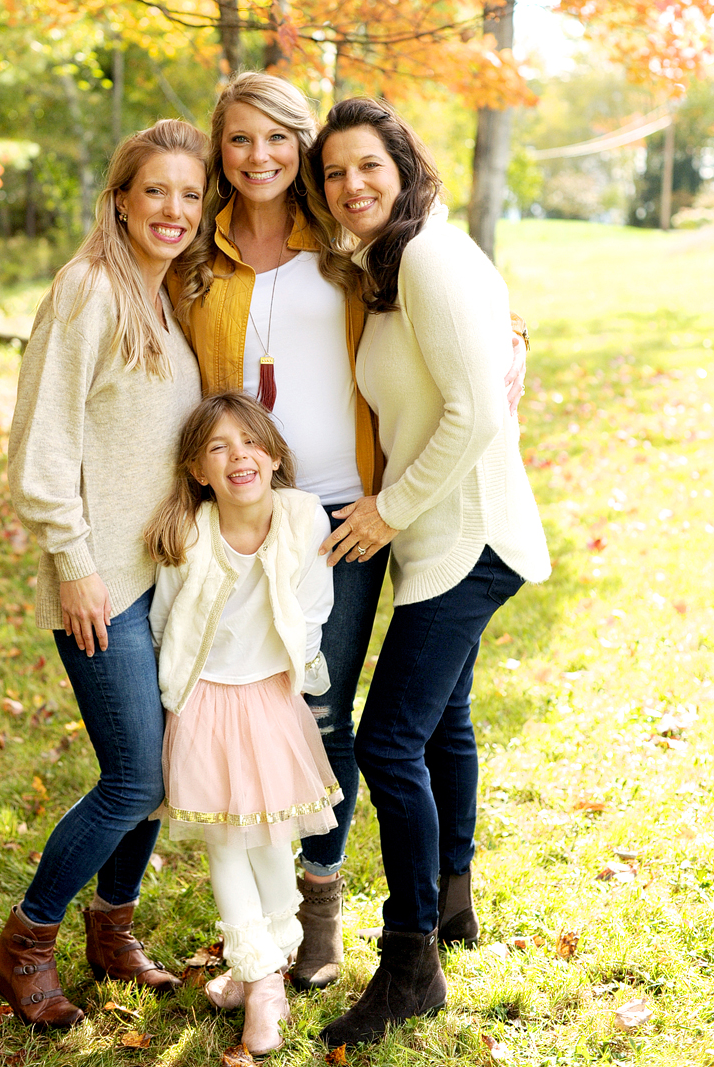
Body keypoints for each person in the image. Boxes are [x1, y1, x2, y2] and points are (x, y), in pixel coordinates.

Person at [167, 72, 528, 990]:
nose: (262, 158)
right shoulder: (202, 262)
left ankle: (324, 915)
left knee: (337, 717)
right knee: (385, 708)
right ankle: (433, 901)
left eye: (281, 141)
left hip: (352, 515)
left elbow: (470, 343)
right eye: (239, 140)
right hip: (247, 511)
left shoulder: (356, 252)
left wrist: (512, 344)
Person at [301, 98, 551, 1047]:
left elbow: (477, 412)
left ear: (403, 167)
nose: (351, 185)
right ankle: (453, 902)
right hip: (440, 536)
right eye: (333, 174)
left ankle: (409, 959)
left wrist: (386, 511)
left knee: (385, 744)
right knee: (443, 720)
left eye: (369, 165)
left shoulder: (431, 258)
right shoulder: (388, 265)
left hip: (467, 538)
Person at [0, 119, 210, 1027]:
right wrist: (73, 563)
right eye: (154, 189)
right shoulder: (86, 291)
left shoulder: (167, 302)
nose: (173, 208)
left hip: (164, 580)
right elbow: (40, 448)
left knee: (161, 770)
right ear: (119, 198)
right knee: (132, 776)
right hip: (99, 583)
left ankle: (111, 933)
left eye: (190, 194)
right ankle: (25, 943)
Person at [144, 391, 341, 1055]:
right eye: (218, 447)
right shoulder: (192, 535)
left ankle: (267, 963)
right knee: (228, 842)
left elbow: (314, 602)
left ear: (275, 455)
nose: (238, 456)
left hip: (269, 697)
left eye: (250, 441)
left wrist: (297, 667)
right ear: (199, 470)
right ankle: (258, 974)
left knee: (271, 836)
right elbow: (164, 624)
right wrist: (175, 696)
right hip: (206, 701)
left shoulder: (302, 517)